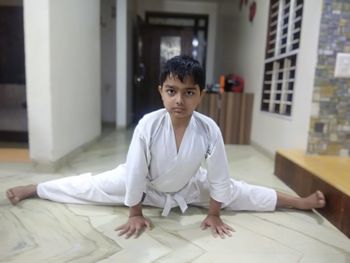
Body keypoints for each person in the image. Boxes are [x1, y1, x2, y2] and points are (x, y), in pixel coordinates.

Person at [6, 55, 326, 239]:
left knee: (241, 192)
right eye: (172, 91)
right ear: (161, 92)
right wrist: (134, 211)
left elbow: (219, 176)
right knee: (90, 185)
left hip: (188, 187)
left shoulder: (208, 129)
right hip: (145, 186)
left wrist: (214, 213)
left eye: (189, 92)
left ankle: (299, 202)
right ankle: (36, 188)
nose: (179, 100)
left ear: (201, 95)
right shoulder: (148, 125)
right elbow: (134, 171)